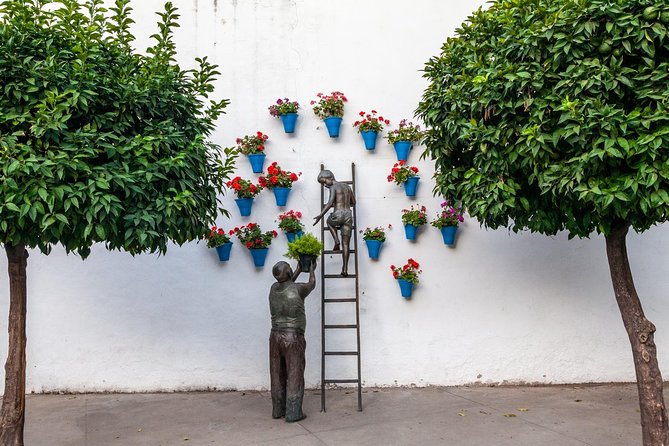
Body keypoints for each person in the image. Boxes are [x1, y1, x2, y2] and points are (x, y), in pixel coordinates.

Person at [268, 260, 316, 422]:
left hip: (275, 336)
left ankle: (278, 410)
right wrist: (310, 269)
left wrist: (296, 269)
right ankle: (293, 412)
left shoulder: (273, 288)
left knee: (277, 373)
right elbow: (312, 284)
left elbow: (288, 283)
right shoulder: (299, 289)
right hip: (293, 337)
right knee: (294, 373)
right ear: (288, 273)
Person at [313, 169, 356, 276]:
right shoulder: (347, 187)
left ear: (330, 178)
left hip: (338, 214)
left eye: (324, 182)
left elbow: (329, 204)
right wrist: (345, 202)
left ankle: (336, 240)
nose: (324, 185)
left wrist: (320, 215)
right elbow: (354, 202)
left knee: (329, 222)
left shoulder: (333, 187)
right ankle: (345, 268)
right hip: (348, 216)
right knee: (346, 244)